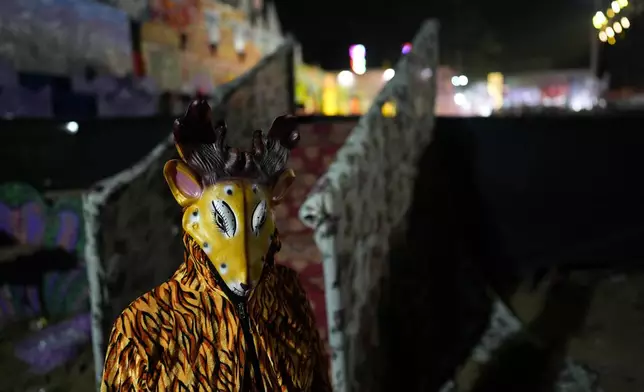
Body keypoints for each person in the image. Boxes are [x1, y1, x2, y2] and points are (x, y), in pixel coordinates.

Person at [100, 100, 331, 391]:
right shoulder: (144, 326)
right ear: (184, 189)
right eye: (223, 220)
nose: (245, 266)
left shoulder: (288, 295)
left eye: (258, 221)